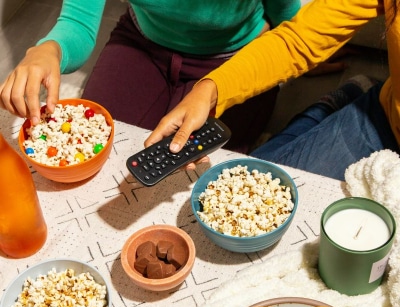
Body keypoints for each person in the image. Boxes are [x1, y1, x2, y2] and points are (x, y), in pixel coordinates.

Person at [0, 0, 302, 154]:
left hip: (234, 54)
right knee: (89, 142)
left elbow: (285, 13)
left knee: (202, 172)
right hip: (141, 41)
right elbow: (78, 23)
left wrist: (291, 55)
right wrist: (50, 49)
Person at [146, 0, 400, 181]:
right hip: (384, 118)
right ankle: (339, 103)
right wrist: (210, 89)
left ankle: (339, 104)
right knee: (245, 188)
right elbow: (299, 40)